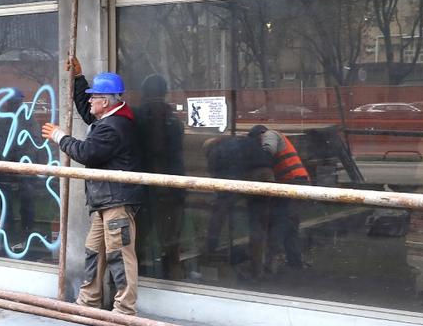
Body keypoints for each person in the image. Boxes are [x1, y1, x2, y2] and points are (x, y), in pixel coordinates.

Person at [41, 57, 144, 315]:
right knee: (94, 251)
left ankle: (124, 309)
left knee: (119, 254)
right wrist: (79, 79)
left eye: (93, 97)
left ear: (105, 101)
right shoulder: (111, 119)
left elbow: (86, 152)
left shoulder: (113, 127)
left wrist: (59, 136)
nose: (89, 101)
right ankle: (88, 301)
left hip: (116, 201)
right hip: (106, 200)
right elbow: (88, 115)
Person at [133, 74, 186, 279]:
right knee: (171, 240)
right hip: (172, 186)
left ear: (144, 93)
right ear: (165, 93)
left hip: (144, 187)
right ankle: (174, 278)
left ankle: (134, 280)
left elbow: (154, 149)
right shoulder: (173, 119)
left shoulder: (137, 117)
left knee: (138, 238)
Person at [202, 132, 273, 280]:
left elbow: (218, 181)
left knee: (218, 213)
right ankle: (257, 270)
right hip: (267, 175)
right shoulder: (238, 142)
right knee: (257, 224)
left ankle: (209, 251)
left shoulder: (215, 151)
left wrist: (221, 200)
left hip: (247, 176)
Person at [249, 124, 311, 271]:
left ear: (259, 134)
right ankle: (295, 261)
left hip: (292, 183)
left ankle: (271, 260)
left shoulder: (270, 134)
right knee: (290, 224)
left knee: (279, 221)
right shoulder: (274, 137)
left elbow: (267, 151)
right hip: (292, 183)